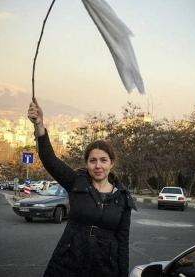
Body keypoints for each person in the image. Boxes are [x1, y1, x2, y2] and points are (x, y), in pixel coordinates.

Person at [28, 99, 137, 277]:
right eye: (92, 160)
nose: (98, 166)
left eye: (103, 160)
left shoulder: (122, 198)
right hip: (68, 262)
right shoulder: (76, 183)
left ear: (112, 163)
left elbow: (123, 243)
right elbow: (50, 160)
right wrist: (39, 125)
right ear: (86, 164)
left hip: (104, 268)